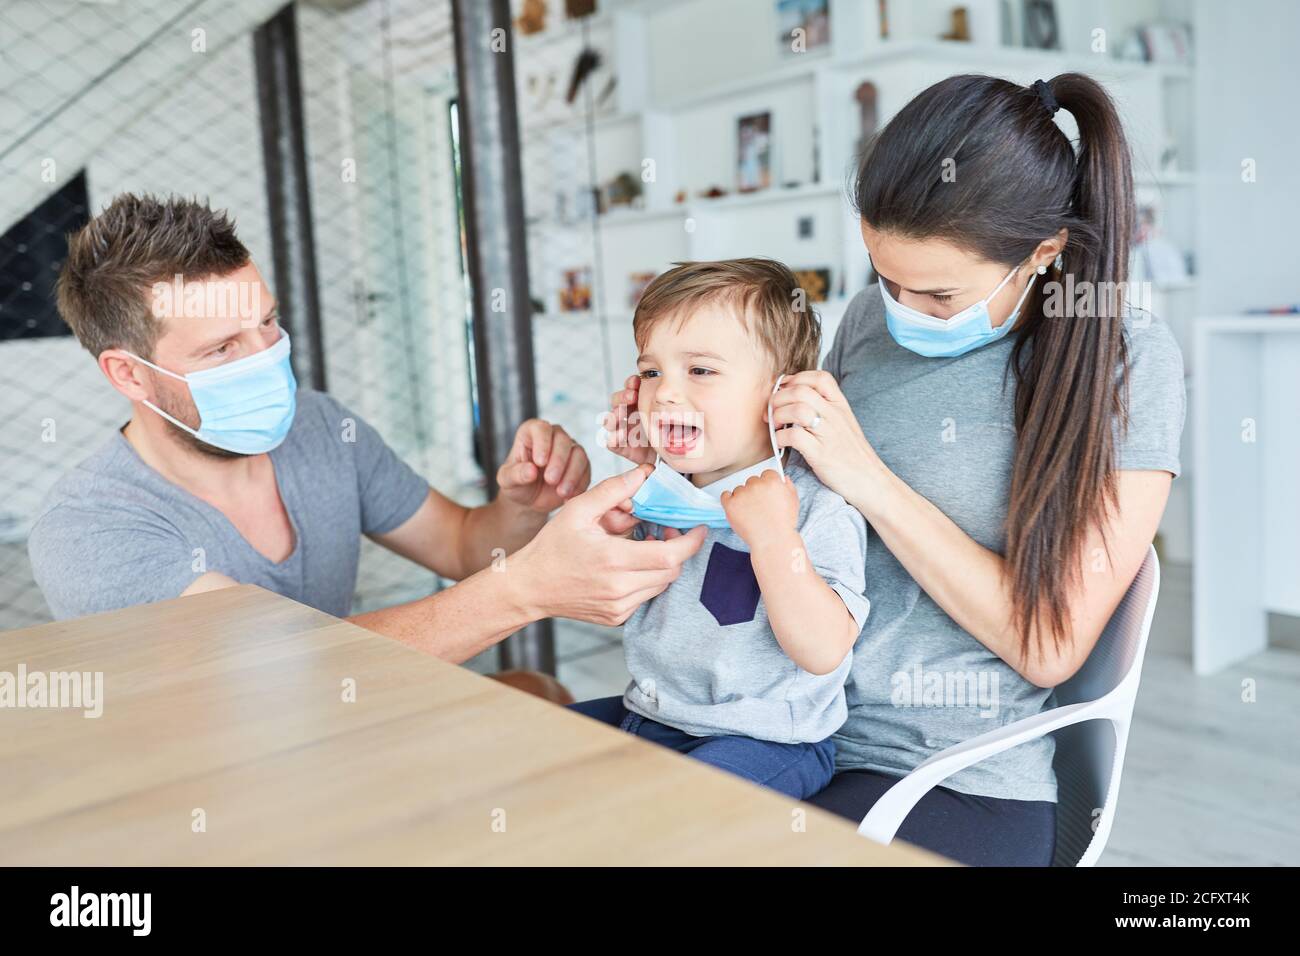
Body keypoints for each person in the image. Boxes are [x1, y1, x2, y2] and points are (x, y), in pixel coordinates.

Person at [605, 74, 1185, 865]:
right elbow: (777, 479)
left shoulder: (1125, 360)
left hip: (942, 770)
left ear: (1044, 254)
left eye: (940, 294)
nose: (904, 310)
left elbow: (1049, 646)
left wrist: (866, 475)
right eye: (887, 277)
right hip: (777, 714)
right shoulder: (874, 320)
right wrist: (674, 428)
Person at [28, 194, 706, 675]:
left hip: (339, 731)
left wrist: (522, 510)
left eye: (267, 322)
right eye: (223, 349)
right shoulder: (89, 528)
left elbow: (466, 546)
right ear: (130, 375)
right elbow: (287, 671)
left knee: (539, 693)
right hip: (211, 786)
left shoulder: (321, 427)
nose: (267, 355)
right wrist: (525, 590)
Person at [568, 260, 871, 800]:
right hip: (652, 715)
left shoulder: (816, 507)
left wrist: (775, 540)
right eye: (652, 372)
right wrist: (626, 510)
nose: (663, 394)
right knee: (528, 748)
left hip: (769, 741)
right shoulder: (660, 493)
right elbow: (616, 599)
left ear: (781, 394)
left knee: (682, 812)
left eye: (700, 371)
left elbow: (824, 650)